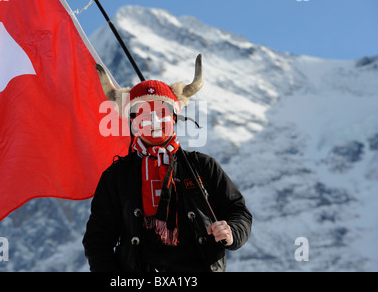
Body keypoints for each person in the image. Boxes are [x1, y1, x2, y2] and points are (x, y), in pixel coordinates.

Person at [83, 55, 252, 272]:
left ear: (174, 117)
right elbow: (98, 238)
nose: (153, 121)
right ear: (132, 121)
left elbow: (238, 211)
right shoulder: (116, 176)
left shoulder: (203, 166)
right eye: (143, 113)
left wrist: (232, 231)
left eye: (161, 113)